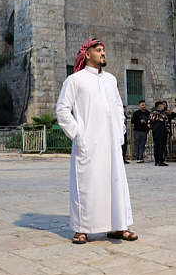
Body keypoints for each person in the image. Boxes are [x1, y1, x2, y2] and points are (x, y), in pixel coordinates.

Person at [55, 39, 135, 244]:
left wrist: (120, 132)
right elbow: (62, 110)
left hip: (111, 141)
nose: (103, 53)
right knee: (87, 184)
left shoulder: (111, 80)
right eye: (98, 50)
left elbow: (118, 107)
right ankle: (82, 228)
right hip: (88, 142)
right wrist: (78, 134)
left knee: (115, 183)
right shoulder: (75, 80)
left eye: (104, 50)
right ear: (87, 54)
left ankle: (119, 227)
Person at [148, 101, 170, 166]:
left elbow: (149, 123)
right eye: (163, 105)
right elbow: (167, 124)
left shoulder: (152, 114)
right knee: (161, 147)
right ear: (160, 107)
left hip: (155, 132)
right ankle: (161, 160)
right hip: (162, 131)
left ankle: (156, 161)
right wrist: (168, 132)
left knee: (156, 146)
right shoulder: (163, 114)